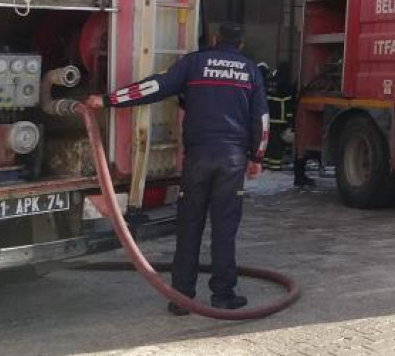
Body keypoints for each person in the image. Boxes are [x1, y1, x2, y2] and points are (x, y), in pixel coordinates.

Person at [86, 21, 268, 314]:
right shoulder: (250, 70)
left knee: (189, 226)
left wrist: (107, 100)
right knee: (224, 229)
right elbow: (261, 120)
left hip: (197, 158)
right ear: (241, 45)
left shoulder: (194, 63)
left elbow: (153, 87)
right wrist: (256, 158)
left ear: (213, 38)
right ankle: (223, 295)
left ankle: (182, 297)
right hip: (231, 160)